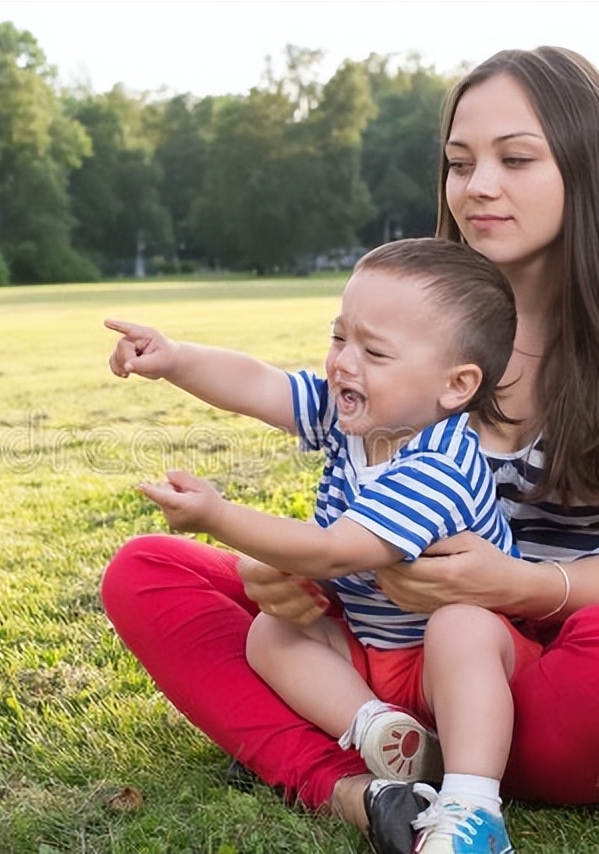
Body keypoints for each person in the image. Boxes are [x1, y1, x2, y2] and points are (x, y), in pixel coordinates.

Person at [100, 45, 599, 854]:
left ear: (588, 170)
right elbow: (307, 434)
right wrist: (288, 571)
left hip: (536, 662)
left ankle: (463, 773)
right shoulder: (419, 313)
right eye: (458, 162)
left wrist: (511, 584)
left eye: (515, 159)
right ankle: (367, 793)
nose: (478, 186)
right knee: (147, 572)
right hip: (373, 645)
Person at [106, 238, 523, 851]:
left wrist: (218, 515)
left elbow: (333, 551)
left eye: (374, 351)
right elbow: (262, 386)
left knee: (460, 628)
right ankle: (379, 732)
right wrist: (175, 359)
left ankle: (474, 809)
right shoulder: (350, 415)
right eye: (339, 338)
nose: (343, 363)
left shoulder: (440, 464)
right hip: (368, 648)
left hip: (451, 670)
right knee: (272, 631)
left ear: (456, 386)